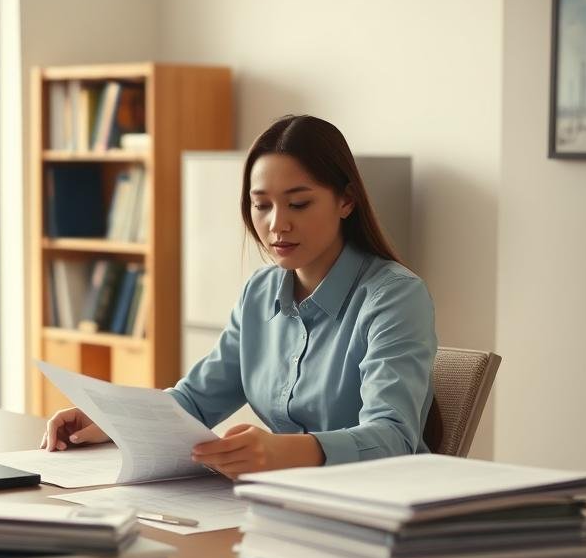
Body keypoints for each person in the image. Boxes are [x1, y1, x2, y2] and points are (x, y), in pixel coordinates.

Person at [40, 114, 438, 477]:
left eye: (299, 203)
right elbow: (195, 400)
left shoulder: (395, 297)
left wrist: (285, 452)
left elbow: (393, 438)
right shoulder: (260, 293)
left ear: (346, 200)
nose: (277, 224)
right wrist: (111, 419)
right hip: (284, 501)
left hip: (375, 507)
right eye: (261, 205)